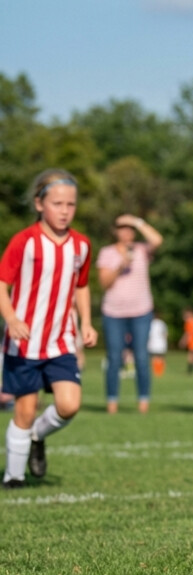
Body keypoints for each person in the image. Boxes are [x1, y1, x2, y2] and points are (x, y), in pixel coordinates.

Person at [0, 169, 97, 488]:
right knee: (25, 411)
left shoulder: (81, 245)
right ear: (40, 204)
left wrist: (86, 321)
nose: (65, 210)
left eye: (70, 204)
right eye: (57, 203)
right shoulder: (24, 242)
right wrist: (12, 318)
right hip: (24, 344)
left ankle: (37, 439)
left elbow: (81, 286)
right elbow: (2, 284)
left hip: (61, 341)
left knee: (70, 404)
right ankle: (13, 478)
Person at [97, 213, 163, 414]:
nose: (126, 231)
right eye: (122, 228)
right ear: (115, 231)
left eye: (129, 228)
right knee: (115, 358)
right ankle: (112, 402)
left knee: (142, 357)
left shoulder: (142, 250)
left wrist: (136, 220)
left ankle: (143, 402)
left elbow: (157, 240)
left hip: (141, 311)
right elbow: (104, 283)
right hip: (113, 313)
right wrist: (120, 266)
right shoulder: (107, 253)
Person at [148, 313, 168, 378]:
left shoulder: (150, 323)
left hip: (152, 343)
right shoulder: (162, 323)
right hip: (161, 343)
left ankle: (155, 372)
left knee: (153, 358)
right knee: (160, 358)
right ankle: (160, 372)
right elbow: (165, 334)